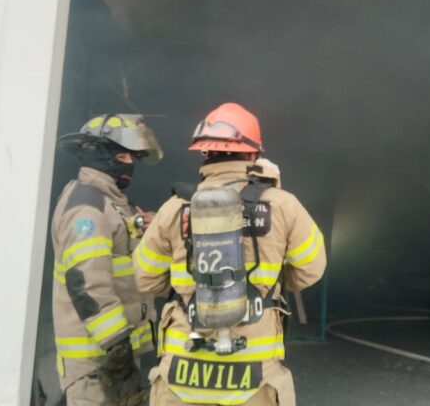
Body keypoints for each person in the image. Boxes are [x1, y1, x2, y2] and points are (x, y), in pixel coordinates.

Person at [135, 102, 326, 406]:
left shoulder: (174, 208)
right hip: (254, 373)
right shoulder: (283, 205)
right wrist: (269, 284)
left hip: (183, 370)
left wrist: (190, 287)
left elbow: (146, 279)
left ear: (204, 154)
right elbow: (310, 269)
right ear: (253, 155)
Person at [52, 113, 165, 405]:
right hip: (96, 365)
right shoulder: (87, 209)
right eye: (123, 155)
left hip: (113, 361)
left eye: (132, 157)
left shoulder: (111, 203)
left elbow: (124, 263)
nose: (130, 164)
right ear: (99, 153)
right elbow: (88, 285)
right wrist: (117, 347)